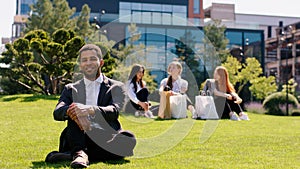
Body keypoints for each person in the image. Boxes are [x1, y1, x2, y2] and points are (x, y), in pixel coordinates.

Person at [45, 44, 136, 168]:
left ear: (101, 62)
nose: (88, 63)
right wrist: (75, 111)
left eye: (93, 59)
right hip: (79, 135)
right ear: (80, 65)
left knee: (129, 138)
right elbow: (57, 112)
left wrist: (90, 110)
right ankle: (79, 152)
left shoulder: (117, 87)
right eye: (84, 60)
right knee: (74, 110)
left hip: (106, 137)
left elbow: (114, 110)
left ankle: (75, 155)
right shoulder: (70, 88)